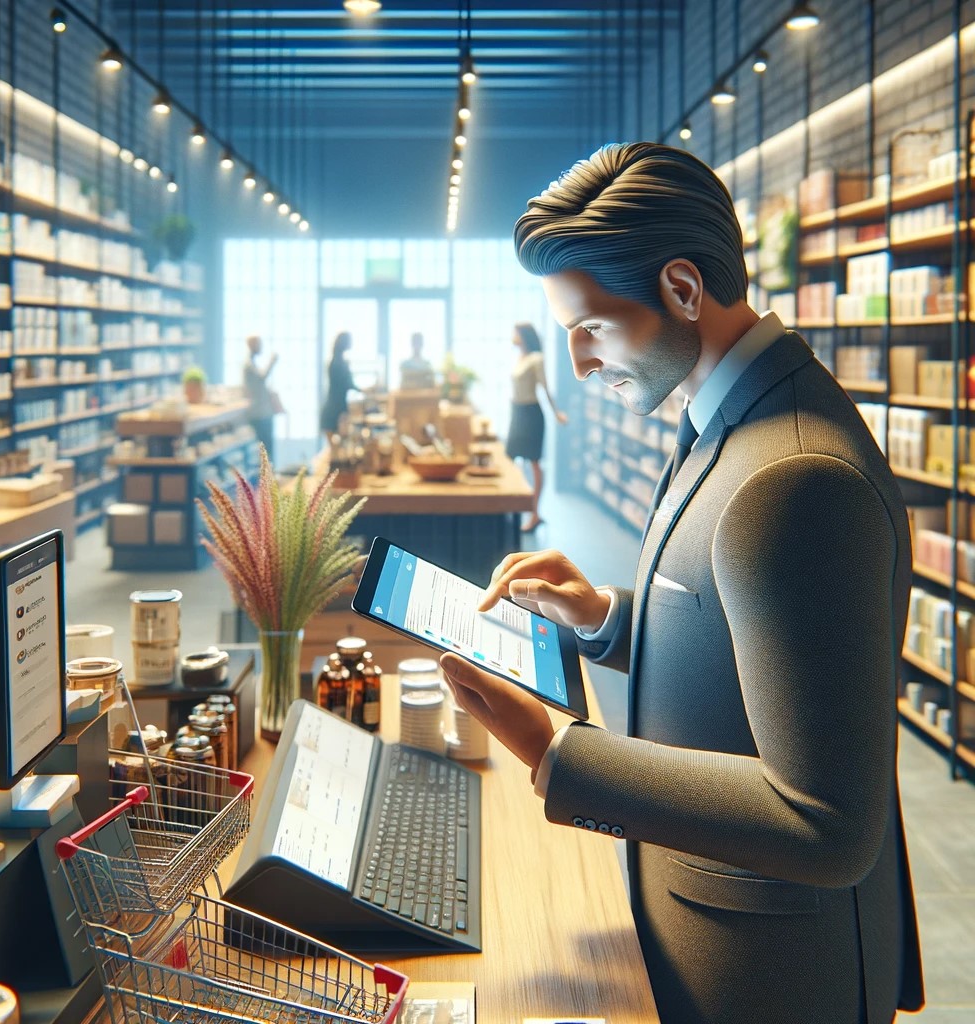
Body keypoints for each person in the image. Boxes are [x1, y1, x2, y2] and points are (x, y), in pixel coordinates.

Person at [438, 143, 924, 1024]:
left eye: (593, 328)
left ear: (683, 290)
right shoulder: (727, 414)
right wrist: (603, 618)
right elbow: (751, 633)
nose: (581, 364)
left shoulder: (794, 476)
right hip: (706, 926)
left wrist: (556, 754)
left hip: (768, 969)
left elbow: (827, 823)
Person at [505, 322, 567, 533]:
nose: (512, 335)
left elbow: (544, 387)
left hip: (531, 414)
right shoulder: (519, 357)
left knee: (534, 462)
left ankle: (534, 513)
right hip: (517, 411)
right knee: (510, 457)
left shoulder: (535, 358)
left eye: (515, 332)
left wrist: (556, 412)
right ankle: (509, 508)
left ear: (523, 335)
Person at [242, 334, 278, 456]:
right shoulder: (249, 364)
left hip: (262, 411)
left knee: (267, 449)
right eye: (259, 344)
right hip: (259, 413)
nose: (261, 347)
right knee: (265, 451)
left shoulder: (252, 363)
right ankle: (267, 474)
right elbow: (261, 377)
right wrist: (272, 362)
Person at [319, 331, 356, 443]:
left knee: (335, 449)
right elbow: (348, 385)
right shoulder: (339, 363)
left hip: (334, 408)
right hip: (335, 409)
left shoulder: (336, 362)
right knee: (336, 450)